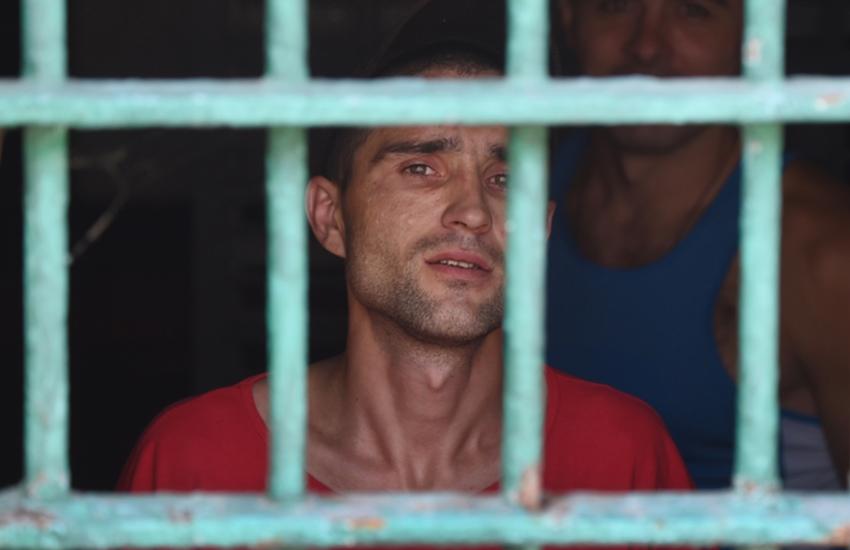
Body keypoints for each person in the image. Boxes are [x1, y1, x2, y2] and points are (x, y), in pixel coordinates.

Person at [118, 36, 691, 503]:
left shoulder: (622, 456)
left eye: (505, 180)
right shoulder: (194, 462)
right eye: (421, 167)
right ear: (330, 217)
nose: (471, 211)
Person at [547, 0, 850, 489]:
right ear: (567, 16)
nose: (646, 46)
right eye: (615, 7)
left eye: (694, 11)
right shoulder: (509, 195)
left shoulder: (823, 256)